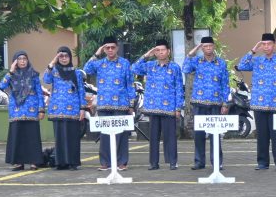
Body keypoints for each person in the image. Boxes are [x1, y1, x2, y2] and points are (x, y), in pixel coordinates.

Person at [236, 33, 276, 170]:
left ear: (274, 45)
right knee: (262, 136)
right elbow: (241, 65)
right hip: (259, 104)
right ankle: (262, 162)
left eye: (269, 44)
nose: (266, 47)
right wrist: (253, 50)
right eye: (264, 44)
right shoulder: (256, 61)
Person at [84, 36, 136, 171]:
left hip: (121, 104)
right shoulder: (99, 63)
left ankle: (122, 162)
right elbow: (86, 69)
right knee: (105, 135)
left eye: (113, 47)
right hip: (104, 104)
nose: (110, 50)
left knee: (121, 135)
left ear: (117, 48)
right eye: (107, 47)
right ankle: (105, 163)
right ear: (104, 49)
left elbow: (130, 85)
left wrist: (131, 104)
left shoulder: (125, 63)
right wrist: (97, 53)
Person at [132, 39, 185, 170]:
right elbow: (133, 68)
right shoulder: (149, 66)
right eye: (158, 50)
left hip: (169, 108)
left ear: (168, 51)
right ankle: (153, 163)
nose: (161, 53)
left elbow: (179, 88)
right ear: (155, 52)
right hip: (153, 107)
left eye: (163, 50)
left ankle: (173, 162)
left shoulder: (175, 67)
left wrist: (178, 108)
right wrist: (146, 55)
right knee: (153, 138)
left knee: (170, 137)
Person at [183, 36, 230, 170]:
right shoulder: (197, 61)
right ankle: (199, 162)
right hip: (199, 103)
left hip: (216, 103)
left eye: (210, 46)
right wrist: (192, 51)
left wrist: (225, 103)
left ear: (213, 47)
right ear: (202, 48)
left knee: (215, 134)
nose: (208, 48)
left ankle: (217, 162)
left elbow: (225, 84)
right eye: (205, 46)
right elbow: (185, 69)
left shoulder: (221, 63)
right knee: (199, 134)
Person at [0, 50, 45, 170]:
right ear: (15, 61)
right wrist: (11, 71)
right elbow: (2, 86)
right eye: (19, 59)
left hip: (31, 109)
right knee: (17, 136)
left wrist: (41, 109)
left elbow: (40, 92)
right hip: (16, 110)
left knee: (32, 136)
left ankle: (34, 161)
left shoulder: (34, 74)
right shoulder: (11, 75)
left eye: (24, 59)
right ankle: (19, 162)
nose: (22, 61)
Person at [43, 46, 87, 170]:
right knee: (60, 137)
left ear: (70, 57)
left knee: (72, 137)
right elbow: (45, 79)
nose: (63, 58)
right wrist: (52, 62)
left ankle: (73, 162)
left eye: (66, 56)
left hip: (73, 109)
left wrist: (82, 108)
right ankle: (60, 162)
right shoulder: (54, 71)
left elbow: (81, 91)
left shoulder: (76, 72)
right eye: (60, 56)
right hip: (57, 109)